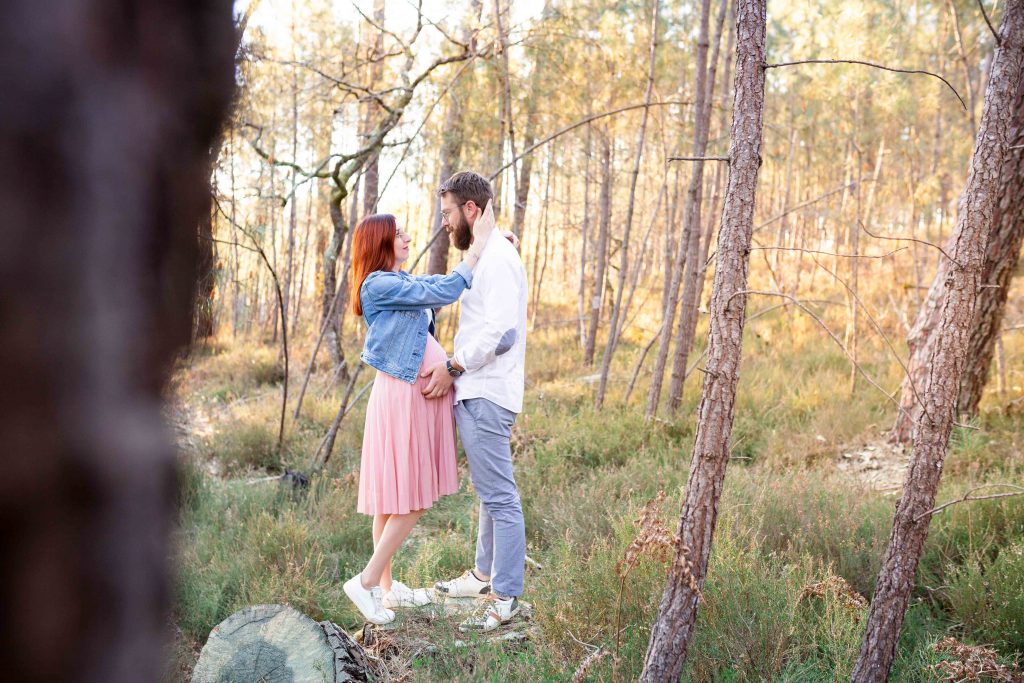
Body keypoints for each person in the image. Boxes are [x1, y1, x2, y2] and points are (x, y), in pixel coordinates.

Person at [342, 207, 496, 625]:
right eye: (400, 234)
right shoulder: (378, 284)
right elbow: (447, 289)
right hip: (405, 394)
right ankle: (368, 582)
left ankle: (387, 591)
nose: (409, 239)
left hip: (412, 392)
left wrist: (493, 251)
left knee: (393, 497)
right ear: (381, 243)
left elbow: (434, 286)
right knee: (412, 496)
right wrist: (479, 248)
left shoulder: (401, 281)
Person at [422, 171, 529, 633]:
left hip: (486, 390)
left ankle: (505, 596)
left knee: (501, 497)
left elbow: (502, 335)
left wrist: (453, 366)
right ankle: (483, 574)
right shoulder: (487, 254)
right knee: (489, 492)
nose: (445, 223)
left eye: (448, 213)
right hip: (478, 391)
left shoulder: (500, 259)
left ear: (471, 209)